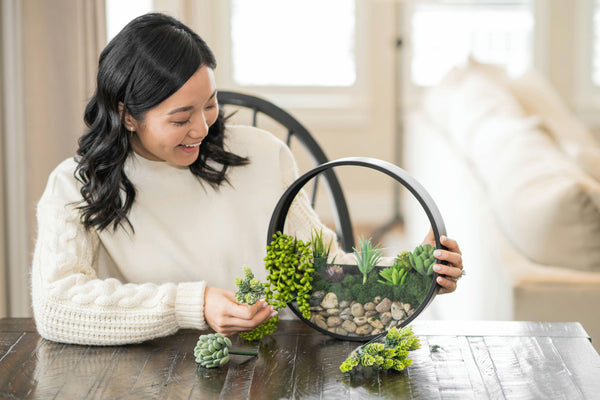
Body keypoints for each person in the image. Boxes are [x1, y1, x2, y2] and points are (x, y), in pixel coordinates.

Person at [31, 13, 464, 346]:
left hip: (278, 364)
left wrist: (411, 276)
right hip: (156, 375)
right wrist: (193, 304)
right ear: (127, 115)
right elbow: (55, 306)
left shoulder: (260, 154)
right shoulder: (74, 186)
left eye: (210, 104)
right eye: (181, 118)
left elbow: (321, 276)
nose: (202, 128)